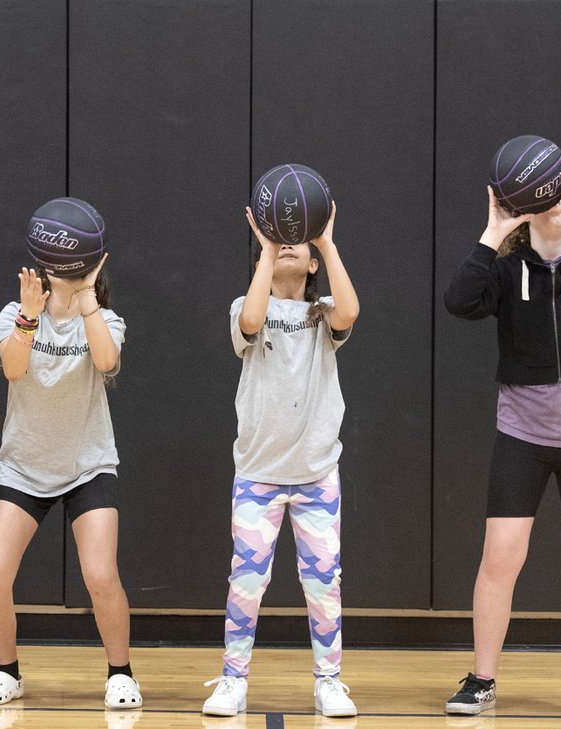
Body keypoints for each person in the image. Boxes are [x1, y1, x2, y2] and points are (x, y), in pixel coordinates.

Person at [443, 168, 561, 717]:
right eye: (541, 194)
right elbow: (459, 300)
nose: (552, 200)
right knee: (501, 557)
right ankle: (481, 680)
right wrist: (492, 231)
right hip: (523, 435)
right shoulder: (505, 272)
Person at [202, 203, 360, 718]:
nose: (288, 244)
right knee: (246, 584)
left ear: (313, 262)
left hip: (316, 474)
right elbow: (250, 318)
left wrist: (328, 242)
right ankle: (233, 680)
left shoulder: (323, 315)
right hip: (258, 475)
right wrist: (267, 254)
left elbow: (351, 312)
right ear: (261, 262)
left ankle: (330, 681)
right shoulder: (246, 309)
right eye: (274, 245)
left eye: (298, 243)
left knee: (324, 585)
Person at [0, 253, 142, 710]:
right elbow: (12, 368)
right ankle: (7, 673)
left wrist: (87, 302)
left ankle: (120, 674)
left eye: (77, 264)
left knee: (101, 574)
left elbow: (107, 362)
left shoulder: (105, 318)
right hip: (23, 467)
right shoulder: (15, 315)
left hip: (88, 465)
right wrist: (29, 315)